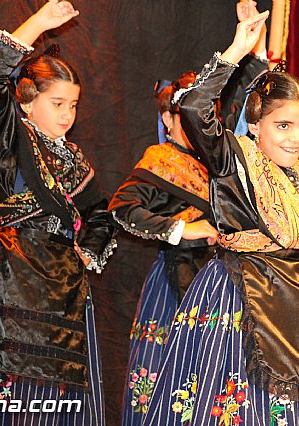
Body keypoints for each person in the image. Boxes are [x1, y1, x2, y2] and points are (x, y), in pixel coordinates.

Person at [142, 11, 299, 426]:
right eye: (283, 125)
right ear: (256, 124)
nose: (296, 138)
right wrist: (238, 51)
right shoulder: (233, 158)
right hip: (238, 297)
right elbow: (193, 106)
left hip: (298, 304)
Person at [0, 1, 116, 424]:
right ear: (26, 101)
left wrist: (86, 253)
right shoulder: (7, 138)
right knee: (5, 377)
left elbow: (101, 214)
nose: (68, 115)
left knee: (59, 384)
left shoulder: (74, 160)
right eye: (57, 104)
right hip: (9, 268)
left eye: (73, 105)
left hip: (64, 282)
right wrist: (37, 24)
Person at [109, 71, 220, 424]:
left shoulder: (217, 164)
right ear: (168, 119)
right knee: (169, 384)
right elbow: (122, 207)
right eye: (185, 116)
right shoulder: (161, 159)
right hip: (177, 283)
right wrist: (181, 229)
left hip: (218, 286)